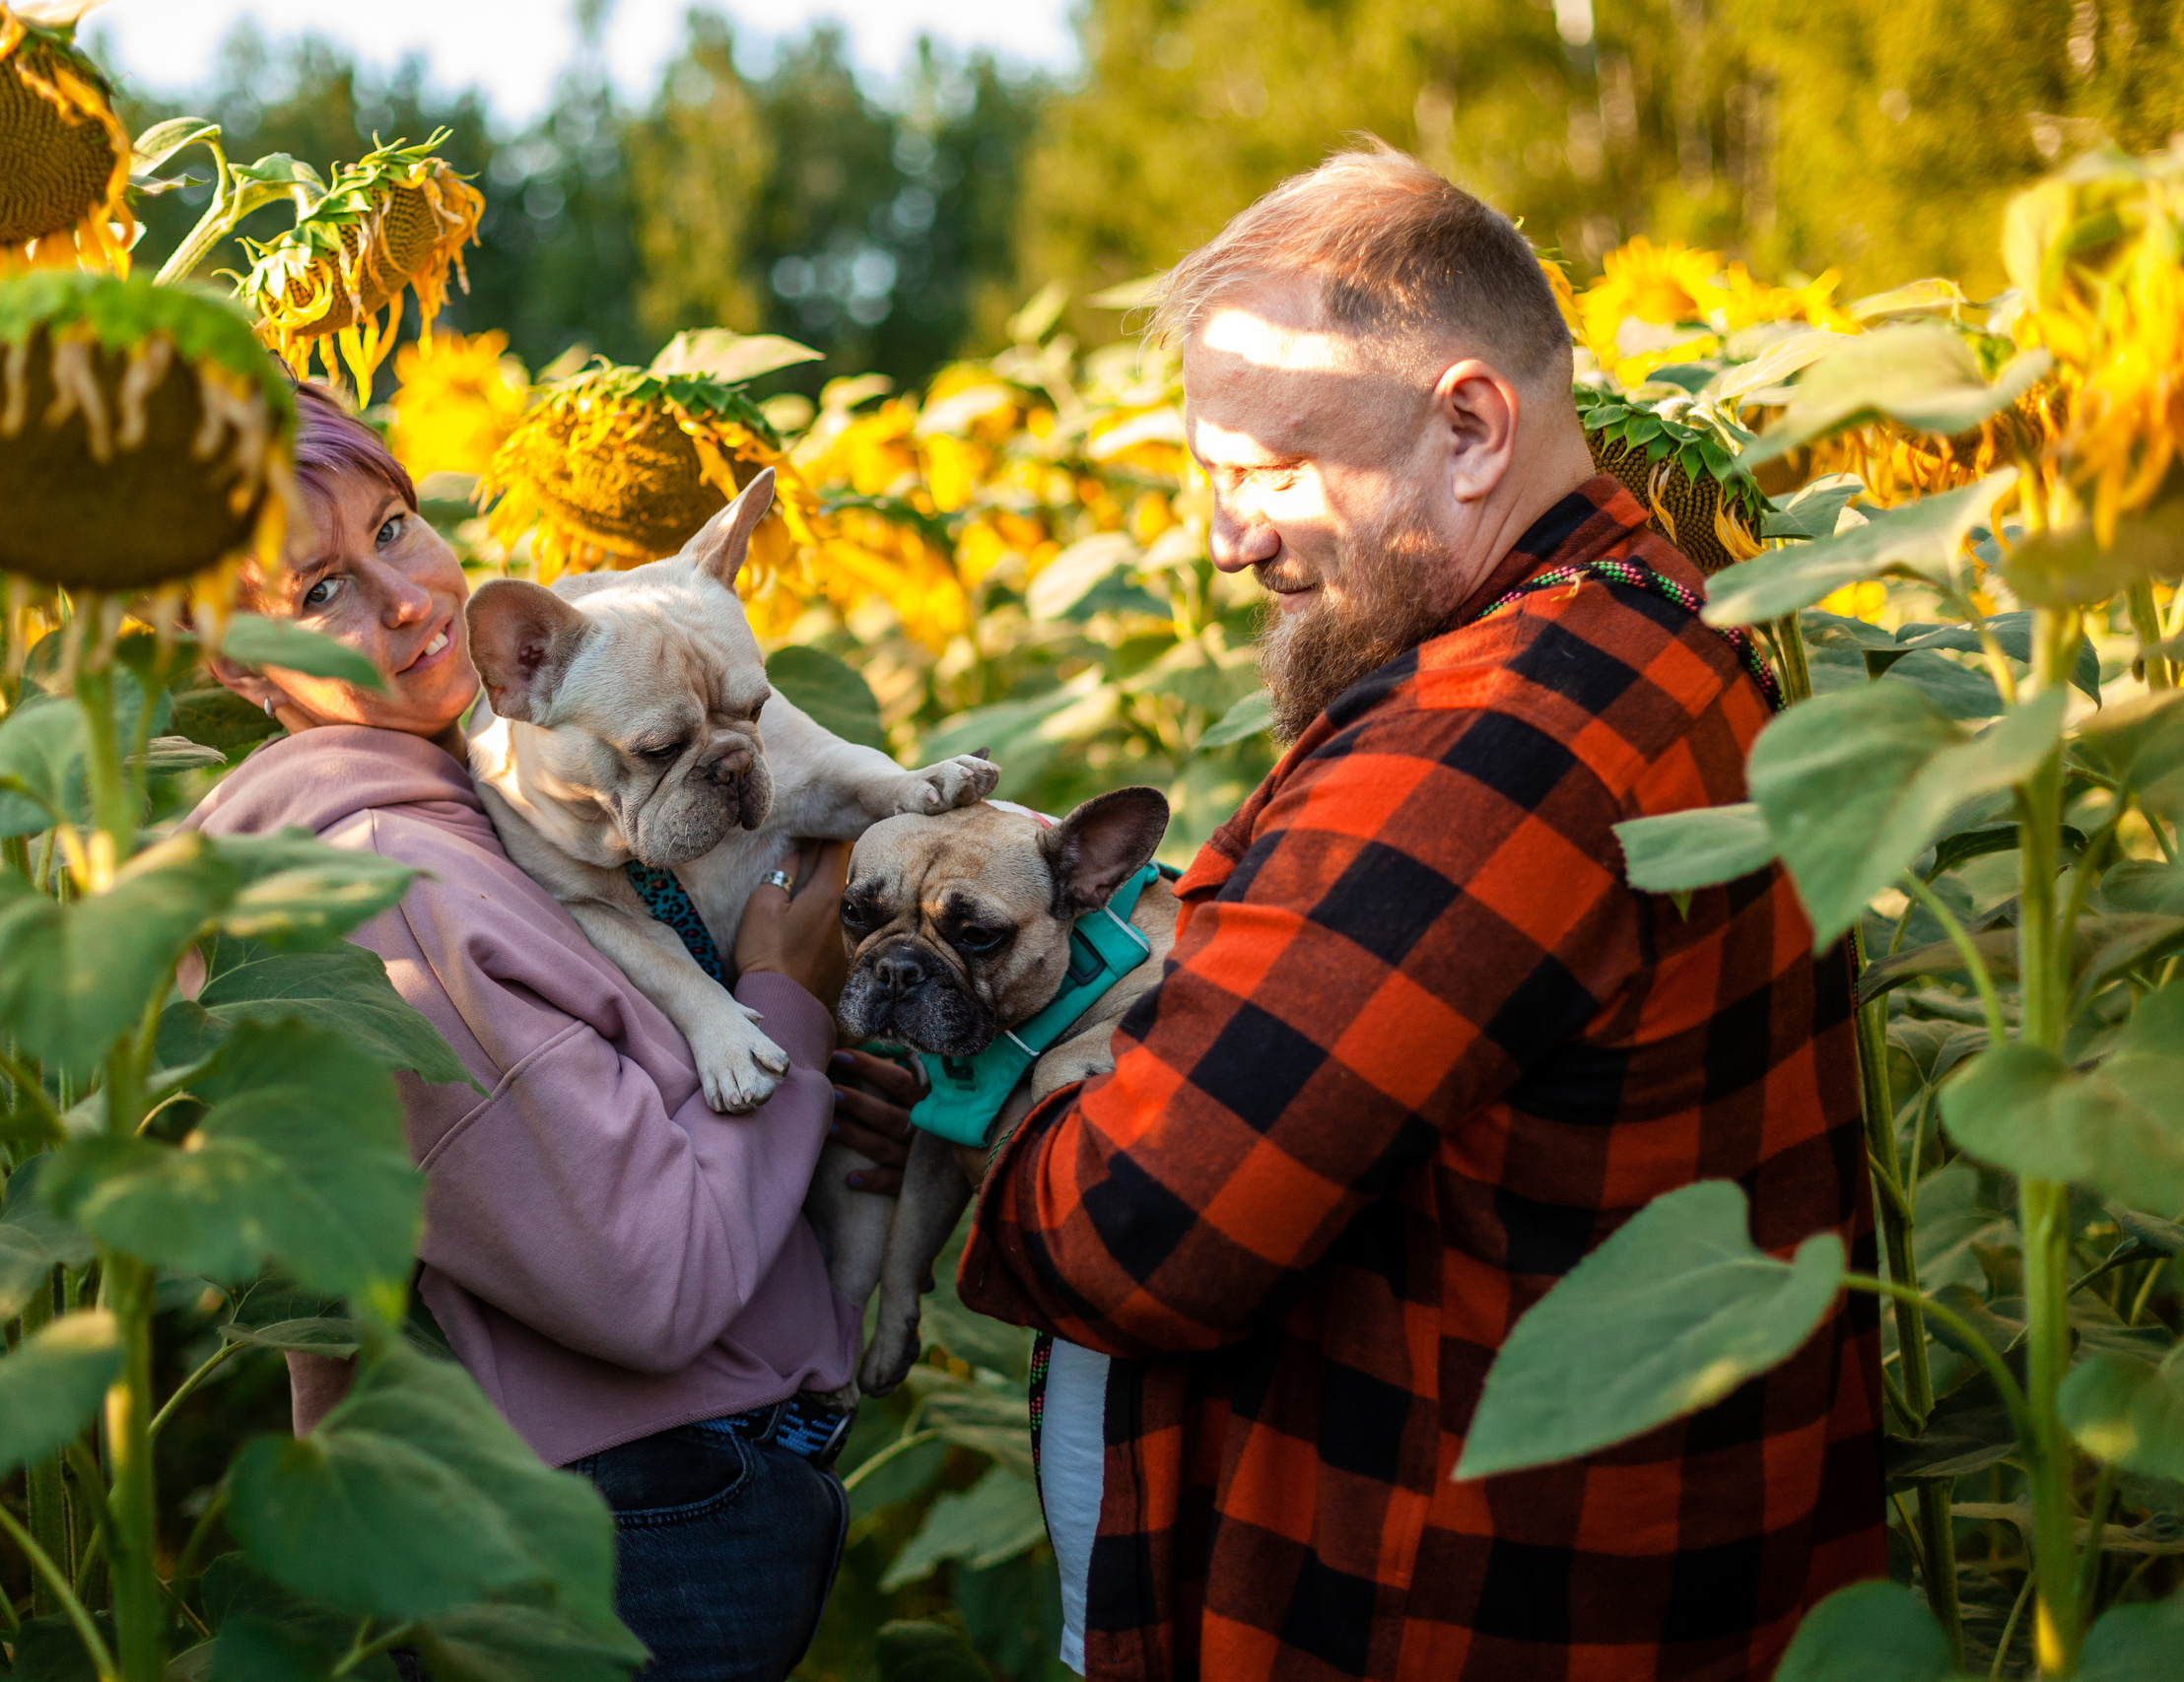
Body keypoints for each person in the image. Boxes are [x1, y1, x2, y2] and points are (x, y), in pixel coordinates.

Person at [951, 142, 1882, 1680]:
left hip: (1450, 1610)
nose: (1229, 539)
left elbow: (1138, 1232)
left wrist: (1002, 1097)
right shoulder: (1659, 621)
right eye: (1212, 478)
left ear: (1469, 427)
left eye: (1271, 471)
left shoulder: (1492, 741)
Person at [183, 380, 877, 1681]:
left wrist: (821, 1073)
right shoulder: (396, 886)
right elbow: (652, 1281)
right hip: (637, 1528)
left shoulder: (472, 803)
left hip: (648, 1500)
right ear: (236, 664)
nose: (406, 599)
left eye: (394, 527)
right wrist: (787, 993)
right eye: (321, 592)